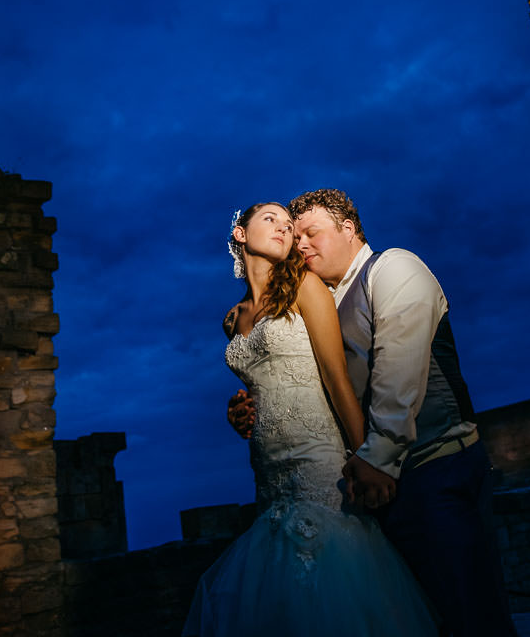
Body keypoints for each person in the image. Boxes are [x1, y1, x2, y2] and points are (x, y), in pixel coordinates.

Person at [228, 189, 518, 637]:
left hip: (433, 465)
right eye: (293, 232)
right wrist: (253, 405)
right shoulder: (310, 295)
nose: (299, 242)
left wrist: (375, 458)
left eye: (310, 232)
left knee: (469, 612)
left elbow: (397, 377)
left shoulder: (395, 268)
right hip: (368, 475)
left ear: (348, 230)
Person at [184, 203, 437, 637]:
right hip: (268, 468)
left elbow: (337, 380)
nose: (284, 229)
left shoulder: (305, 286)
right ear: (241, 234)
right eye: (271, 220)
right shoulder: (232, 319)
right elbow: (260, 381)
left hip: (318, 459)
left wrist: (370, 460)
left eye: (290, 225)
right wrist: (238, 410)